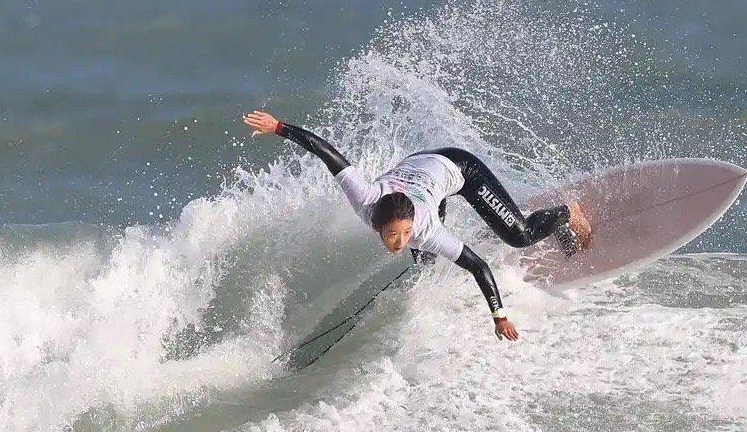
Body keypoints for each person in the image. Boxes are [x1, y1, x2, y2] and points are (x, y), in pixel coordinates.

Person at [242, 110, 592, 341]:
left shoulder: (425, 229)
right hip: (420, 167)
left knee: (520, 235)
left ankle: (567, 213)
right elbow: (326, 152)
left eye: (405, 234)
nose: (399, 242)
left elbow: (478, 266)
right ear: (378, 223)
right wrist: (278, 128)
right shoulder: (366, 198)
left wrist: (499, 316)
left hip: (461, 170)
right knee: (424, 259)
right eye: (393, 235)